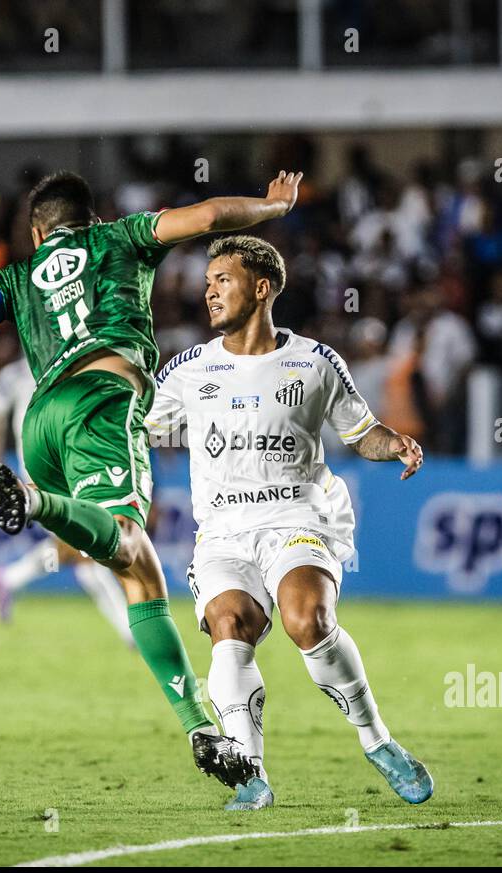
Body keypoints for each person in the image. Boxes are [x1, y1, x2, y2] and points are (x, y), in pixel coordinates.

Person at [0, 169, 304, 795]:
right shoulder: (122, 239)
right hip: (102, 402)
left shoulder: (16, 280)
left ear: (35, 231)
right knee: (134, 543)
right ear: (94, 216)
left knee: (136, 575)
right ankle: (31, 500)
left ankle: (197, 726)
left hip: (41, 425)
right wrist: (273, 206)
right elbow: (211, 217)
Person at [146, 235, 433, 810]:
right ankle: (250, 775)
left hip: (297, 516)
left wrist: (395, 443)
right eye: (206, 284)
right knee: (231, 626)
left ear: (262, 287)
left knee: (308, 619)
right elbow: (138, 424)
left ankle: (377, 741)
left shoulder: (316, 362)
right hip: (222, 531)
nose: (209, 294)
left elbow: (362, 431)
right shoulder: (189, 368)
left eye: (221, 281)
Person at [0, 347, 134, 648]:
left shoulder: (72, 362)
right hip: (41, 470)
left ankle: (10, 578)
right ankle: (130, 633)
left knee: (83, 547)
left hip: (73, 463)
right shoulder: (16, 373)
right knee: (86, 548)